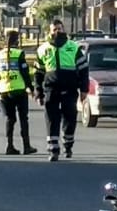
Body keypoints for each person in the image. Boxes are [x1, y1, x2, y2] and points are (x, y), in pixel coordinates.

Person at [34, 19, 88, 161]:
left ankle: (68, 144)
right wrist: (38, 91)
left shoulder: (73, 47)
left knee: (70, 117)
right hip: (51, 89)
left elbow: (83, 70)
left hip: (69, 88)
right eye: (54, 29)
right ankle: (53, 149)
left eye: (59, 28)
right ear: (50, 32)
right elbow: (38, 73)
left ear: (64, 30)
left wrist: (84, 89)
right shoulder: (42, 49)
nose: (57, 31)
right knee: (52, 118)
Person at [0, 30, 38, 155]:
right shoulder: (19, 53)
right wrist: (31, 88)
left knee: (10, 119)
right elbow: (24, 73)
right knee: (23, 119)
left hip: (4, 91)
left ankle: (9, 146)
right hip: (19, 90)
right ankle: (26, 146)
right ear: (17, 41)